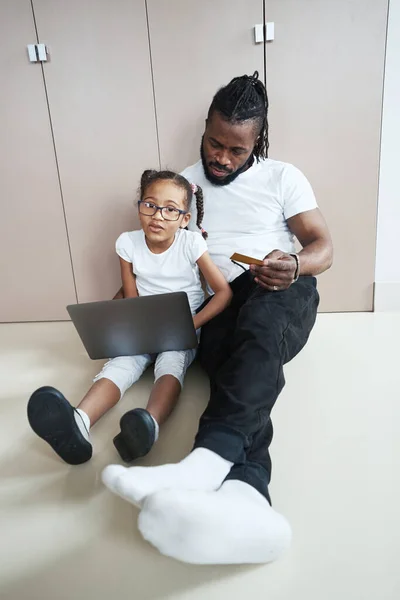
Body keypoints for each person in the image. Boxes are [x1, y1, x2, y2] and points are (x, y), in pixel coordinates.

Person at [102, 72, 333, 565]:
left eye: (237, 150)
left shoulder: (283, 177)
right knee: (243, 371)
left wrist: (293, 263)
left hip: (277, 287)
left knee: (261, 330)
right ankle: (247, 500)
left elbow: (323, 246)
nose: (222, 158)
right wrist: (131, 301)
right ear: (204, 128)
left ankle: (202, 464)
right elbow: (155, 253)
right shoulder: (180, 186)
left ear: (258, 142)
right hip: (214, 303)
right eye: (214, 143)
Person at [27, 170, 232, 465]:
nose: (157, 216)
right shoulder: (128, 243)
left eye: (170, 210)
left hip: (182, 321)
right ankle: (79, 421)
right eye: (149, 205)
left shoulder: (191, 244)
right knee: (122, 363)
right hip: (141, 321)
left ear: (185, 219)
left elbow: (223, 293)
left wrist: (192, 325)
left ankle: (149, 424)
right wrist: (119, 326)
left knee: (171, 364)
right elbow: (129, 291)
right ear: (139, 207)